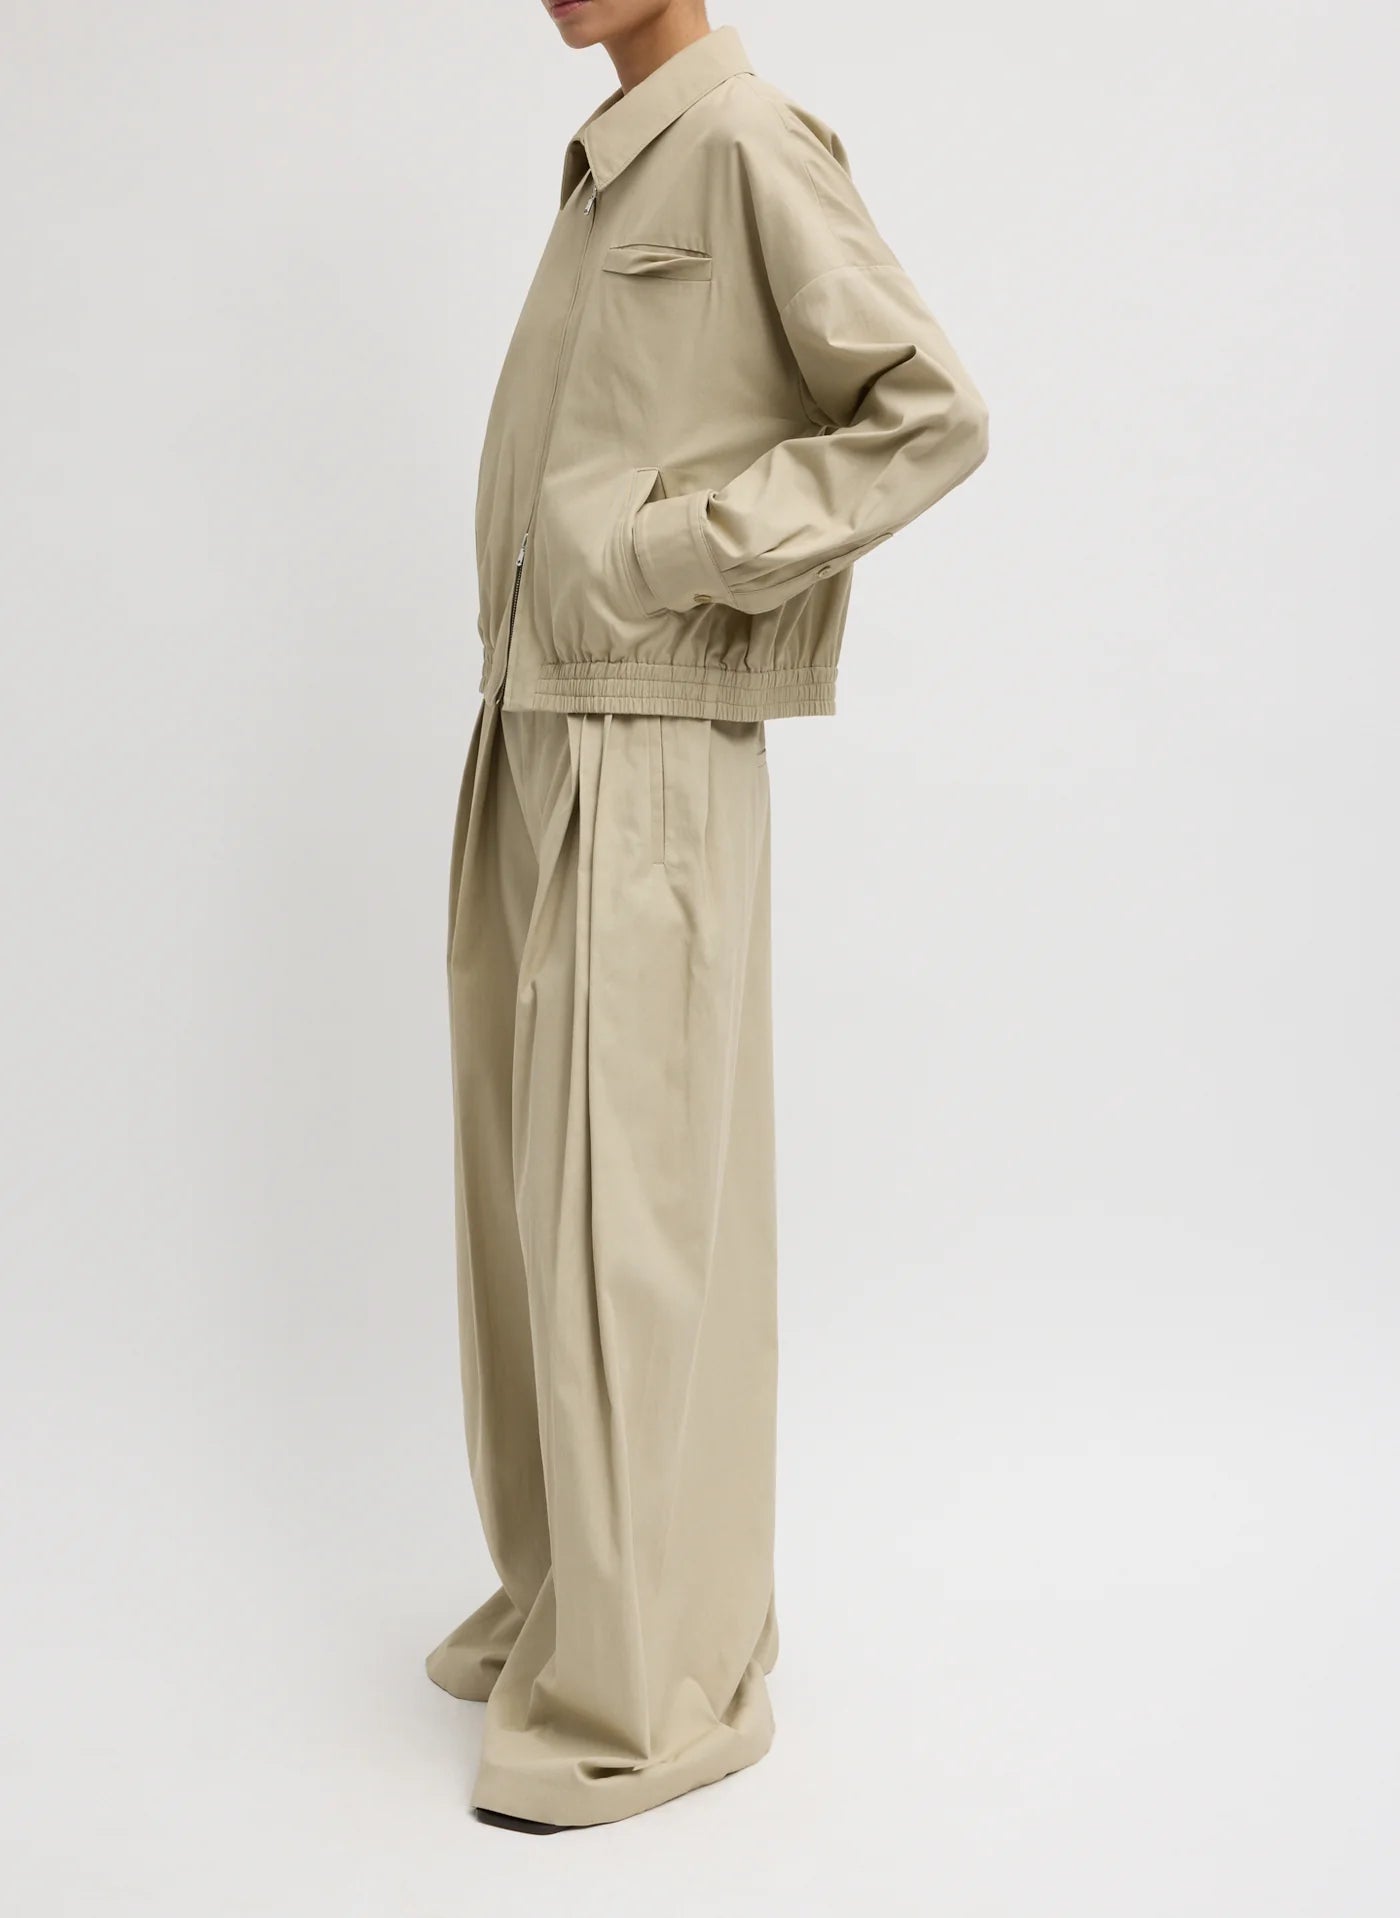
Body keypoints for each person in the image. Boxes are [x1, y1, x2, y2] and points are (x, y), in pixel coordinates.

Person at [426, 0, 988, 1833]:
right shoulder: (617, 162)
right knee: (530, 1208)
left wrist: (684, 556)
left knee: (630, 1217)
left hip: (642, 740)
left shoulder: (743, 143)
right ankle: (572, 1593)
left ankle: (651, 1687)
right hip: (532, 723)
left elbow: (928, 410)